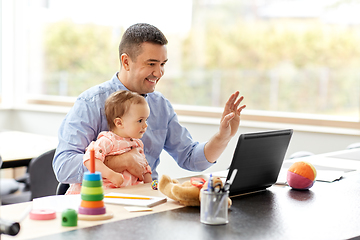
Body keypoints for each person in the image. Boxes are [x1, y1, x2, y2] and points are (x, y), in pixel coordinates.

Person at [53, 23, 246, 185]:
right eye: (151, 64)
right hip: (101, 204)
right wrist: (121, 161)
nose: (159, 72)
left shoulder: (160, 106)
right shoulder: (91, 103)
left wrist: (222, 137)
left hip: (147, 202)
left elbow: (189, 157)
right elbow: (63, 167)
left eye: (162, 64)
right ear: (126, 62)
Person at [65, 90, 152, 194]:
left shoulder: (137, 144)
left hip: (125, 195)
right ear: (119, 123)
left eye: (146, 120)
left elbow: (144, 168)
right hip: (101, 194)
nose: (145, 125)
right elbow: (90, 160)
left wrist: (150, 186)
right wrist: (111, 175)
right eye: (140, 120)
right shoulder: (108, 140)